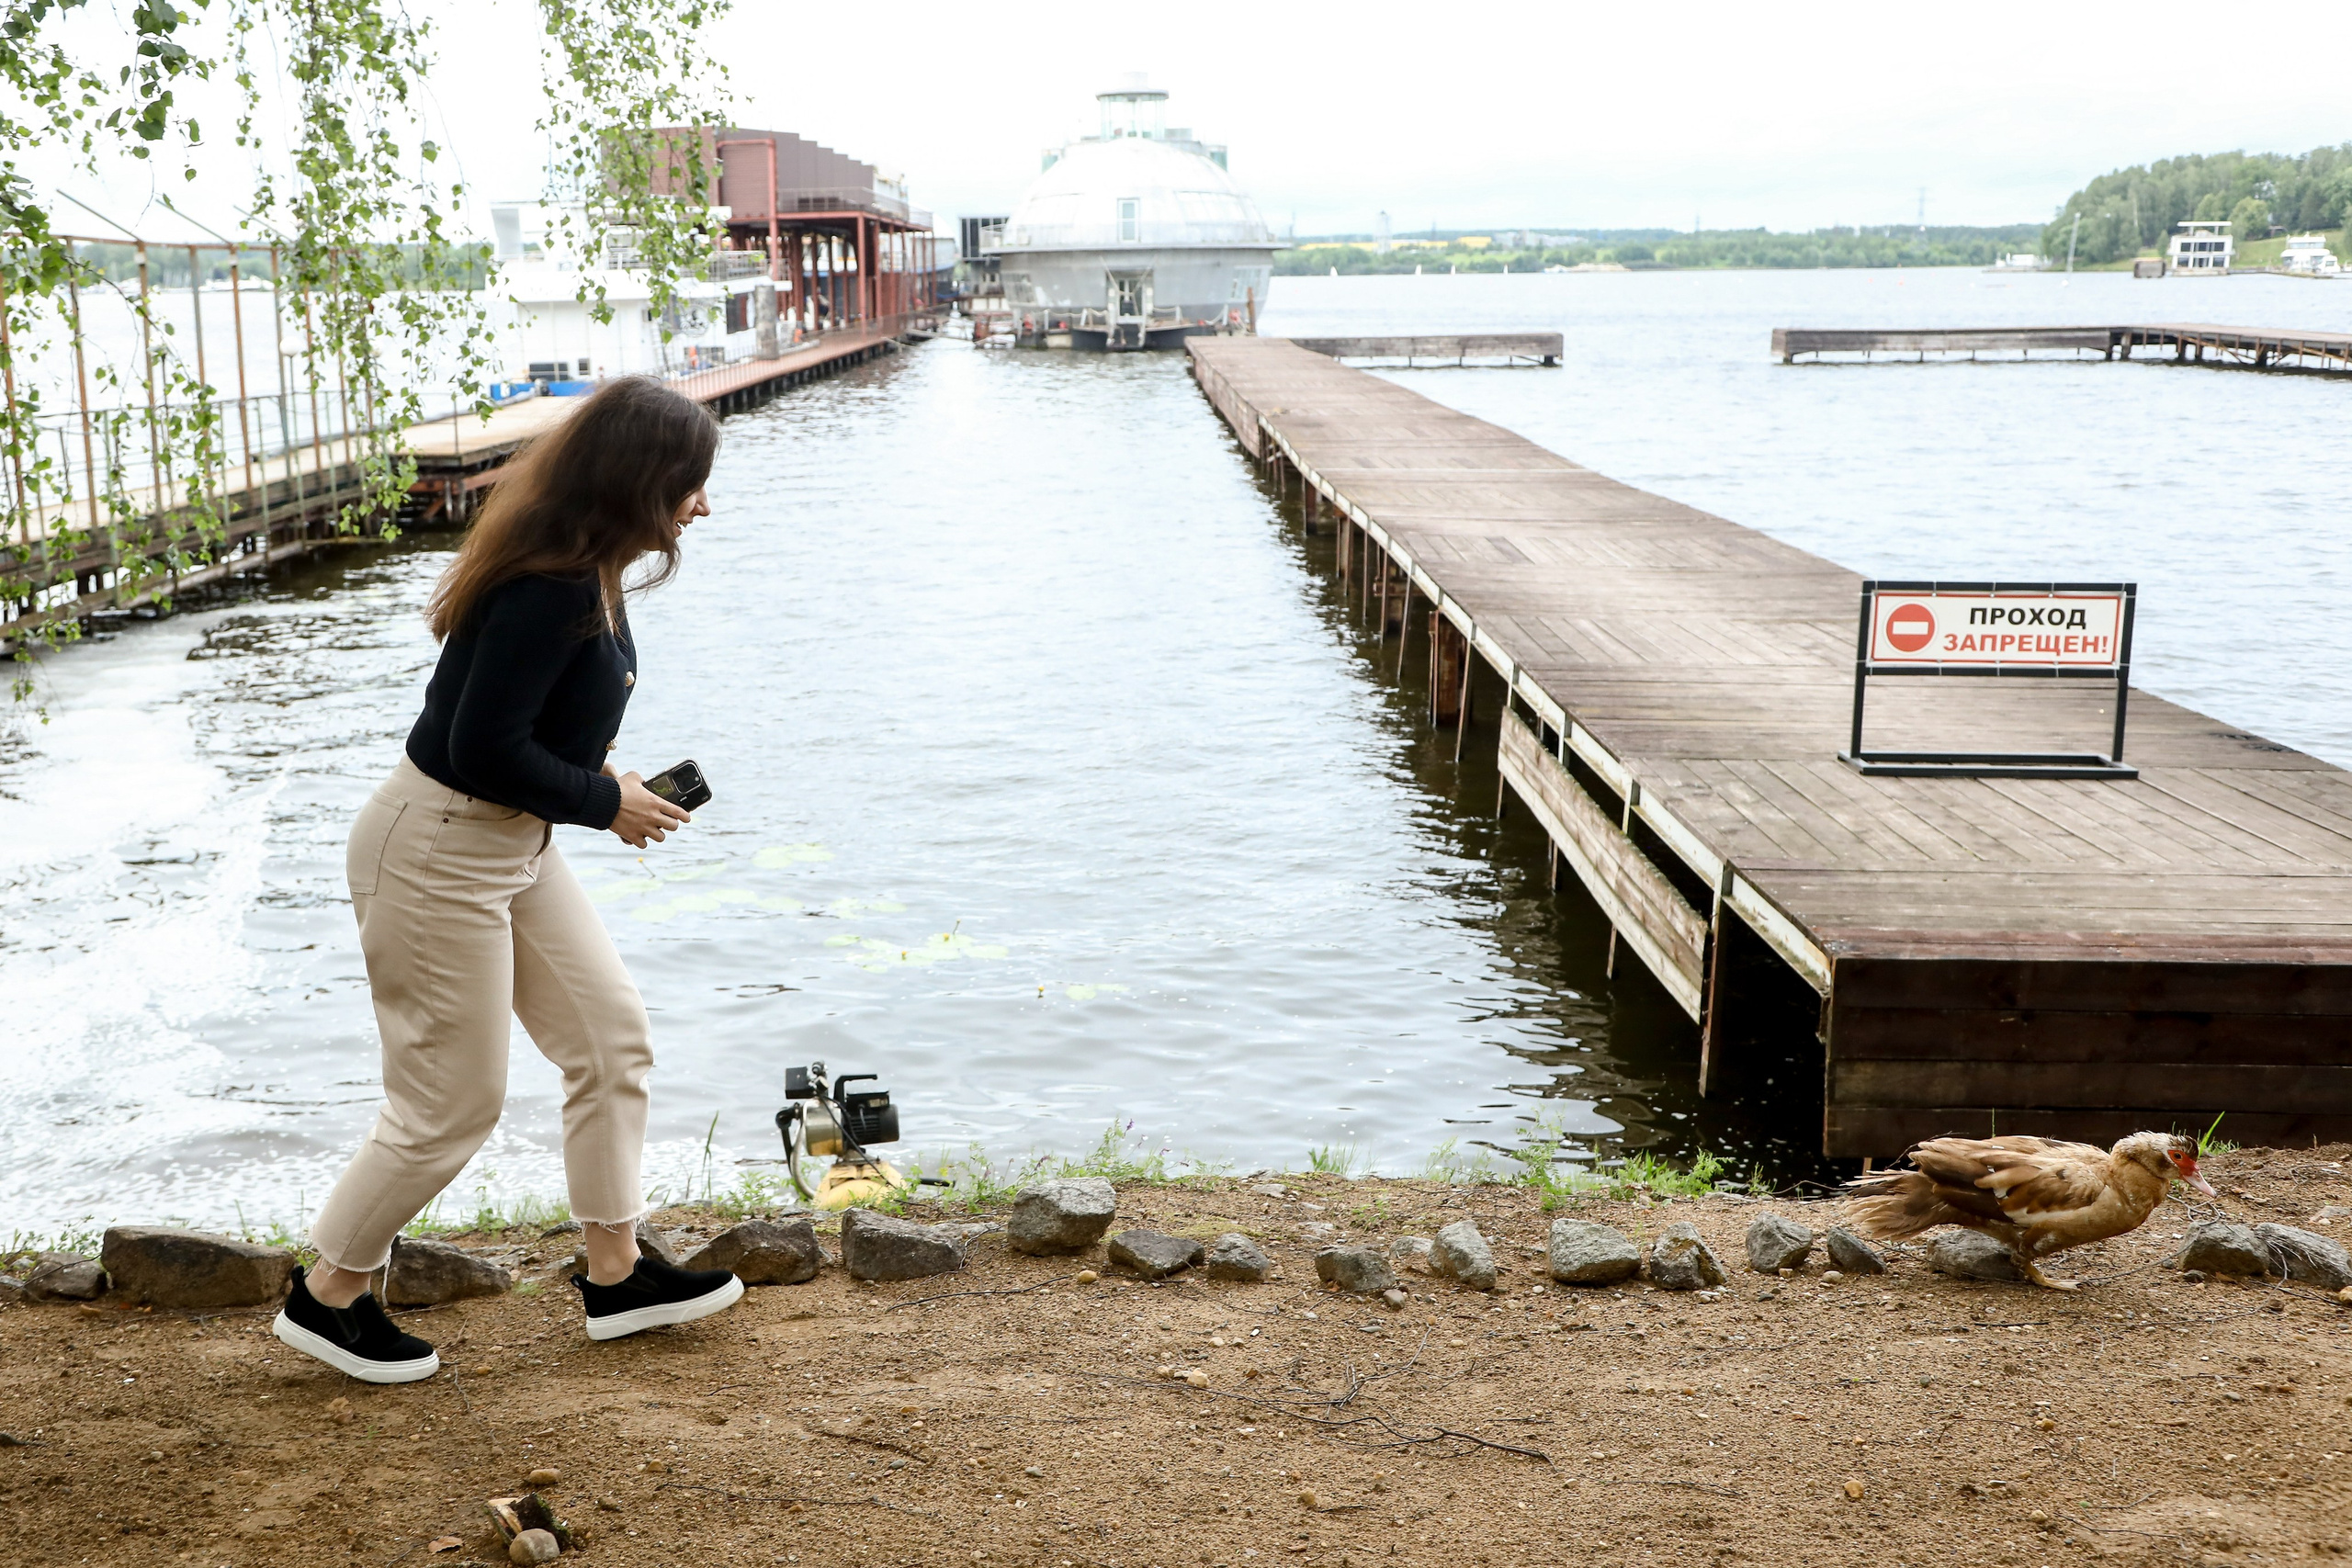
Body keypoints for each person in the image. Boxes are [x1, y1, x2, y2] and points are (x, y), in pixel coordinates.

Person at [272, 377, 742, 1383]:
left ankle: (615, 1277)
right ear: (641, 483)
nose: (702, 505)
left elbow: (521, 731)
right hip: (438, 849)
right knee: (450, 1105)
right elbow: (482, 749)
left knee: (611, 1039)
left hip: (509, 843)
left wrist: (601, 780)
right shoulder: (550, 585)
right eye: (691, 485)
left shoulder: (593, 567)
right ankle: (327, 1297)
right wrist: (603, 802)